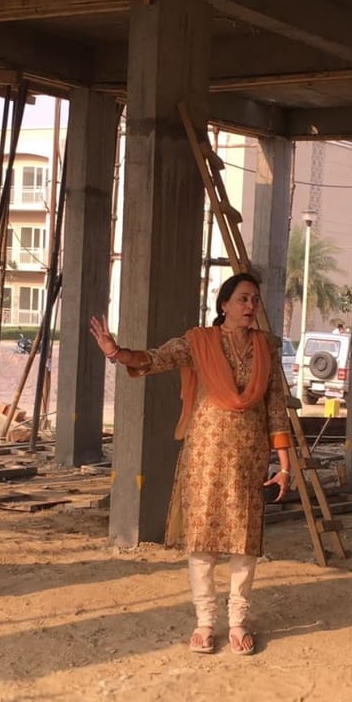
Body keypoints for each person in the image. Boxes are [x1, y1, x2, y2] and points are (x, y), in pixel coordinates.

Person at [90, 273, 292, 656]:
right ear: (224, 305)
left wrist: (284, 466)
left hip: (249, 458)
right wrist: (117, 353)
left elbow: (276, 407)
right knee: (202, 540)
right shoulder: (198, 343)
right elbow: (155, 359)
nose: (250, 306)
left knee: (245, 540)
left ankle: (238, 621)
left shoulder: (267, 347)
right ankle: (205, 621)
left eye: (254, 300)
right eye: (243, 299)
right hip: (205, 456)